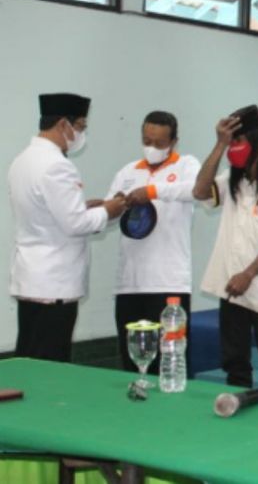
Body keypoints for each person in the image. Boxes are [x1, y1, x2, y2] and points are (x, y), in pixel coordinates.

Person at [8, 93, 126, 362]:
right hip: (54, 283)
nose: (82, 134)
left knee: (28, 357)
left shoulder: (23, 160)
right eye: (81, 126)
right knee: (50, 363)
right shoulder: (57, 166)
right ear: (63, 124)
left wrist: (85, 208)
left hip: (32, 277)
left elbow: (46, 213)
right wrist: (109, 210)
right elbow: (75, 224)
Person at [195, 105, 258, 391]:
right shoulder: (233, 179)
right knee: (235, 361)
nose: (234, 148)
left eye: (238, 142)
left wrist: (249, 274)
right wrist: (220, 145)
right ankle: (235, 404)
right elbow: (200, 191)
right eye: (232, 142)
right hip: (232, 285)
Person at [107, 111, 199, 373]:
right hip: (130, 282)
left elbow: (196, 190)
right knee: (131, 360)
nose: (152, 148)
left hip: (168, 283)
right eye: (147, 141)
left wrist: (152, 191)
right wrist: (106, 207)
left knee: (168, 361)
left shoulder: (187, 166)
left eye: (159, 143)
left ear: (174, 141)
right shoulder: (127, 172)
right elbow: (110, 217)